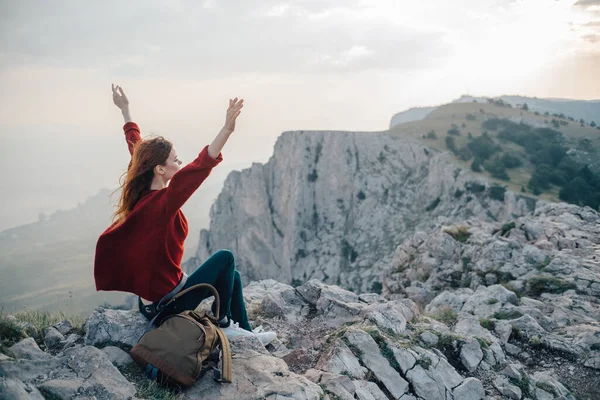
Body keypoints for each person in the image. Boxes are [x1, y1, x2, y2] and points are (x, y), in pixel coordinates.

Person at [93, 84, 276, 345]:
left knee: (232, 276)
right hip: (168, 305)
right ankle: (224, 326)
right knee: (225, 258)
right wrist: (226, 130)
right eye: (175, 160)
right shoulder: (162, 204)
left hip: (155, 302)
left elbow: (136, 148)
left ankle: (244, 329)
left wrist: (125, 110)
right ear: (159, 169)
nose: (180, 164)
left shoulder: (144, 189)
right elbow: (200, 167)